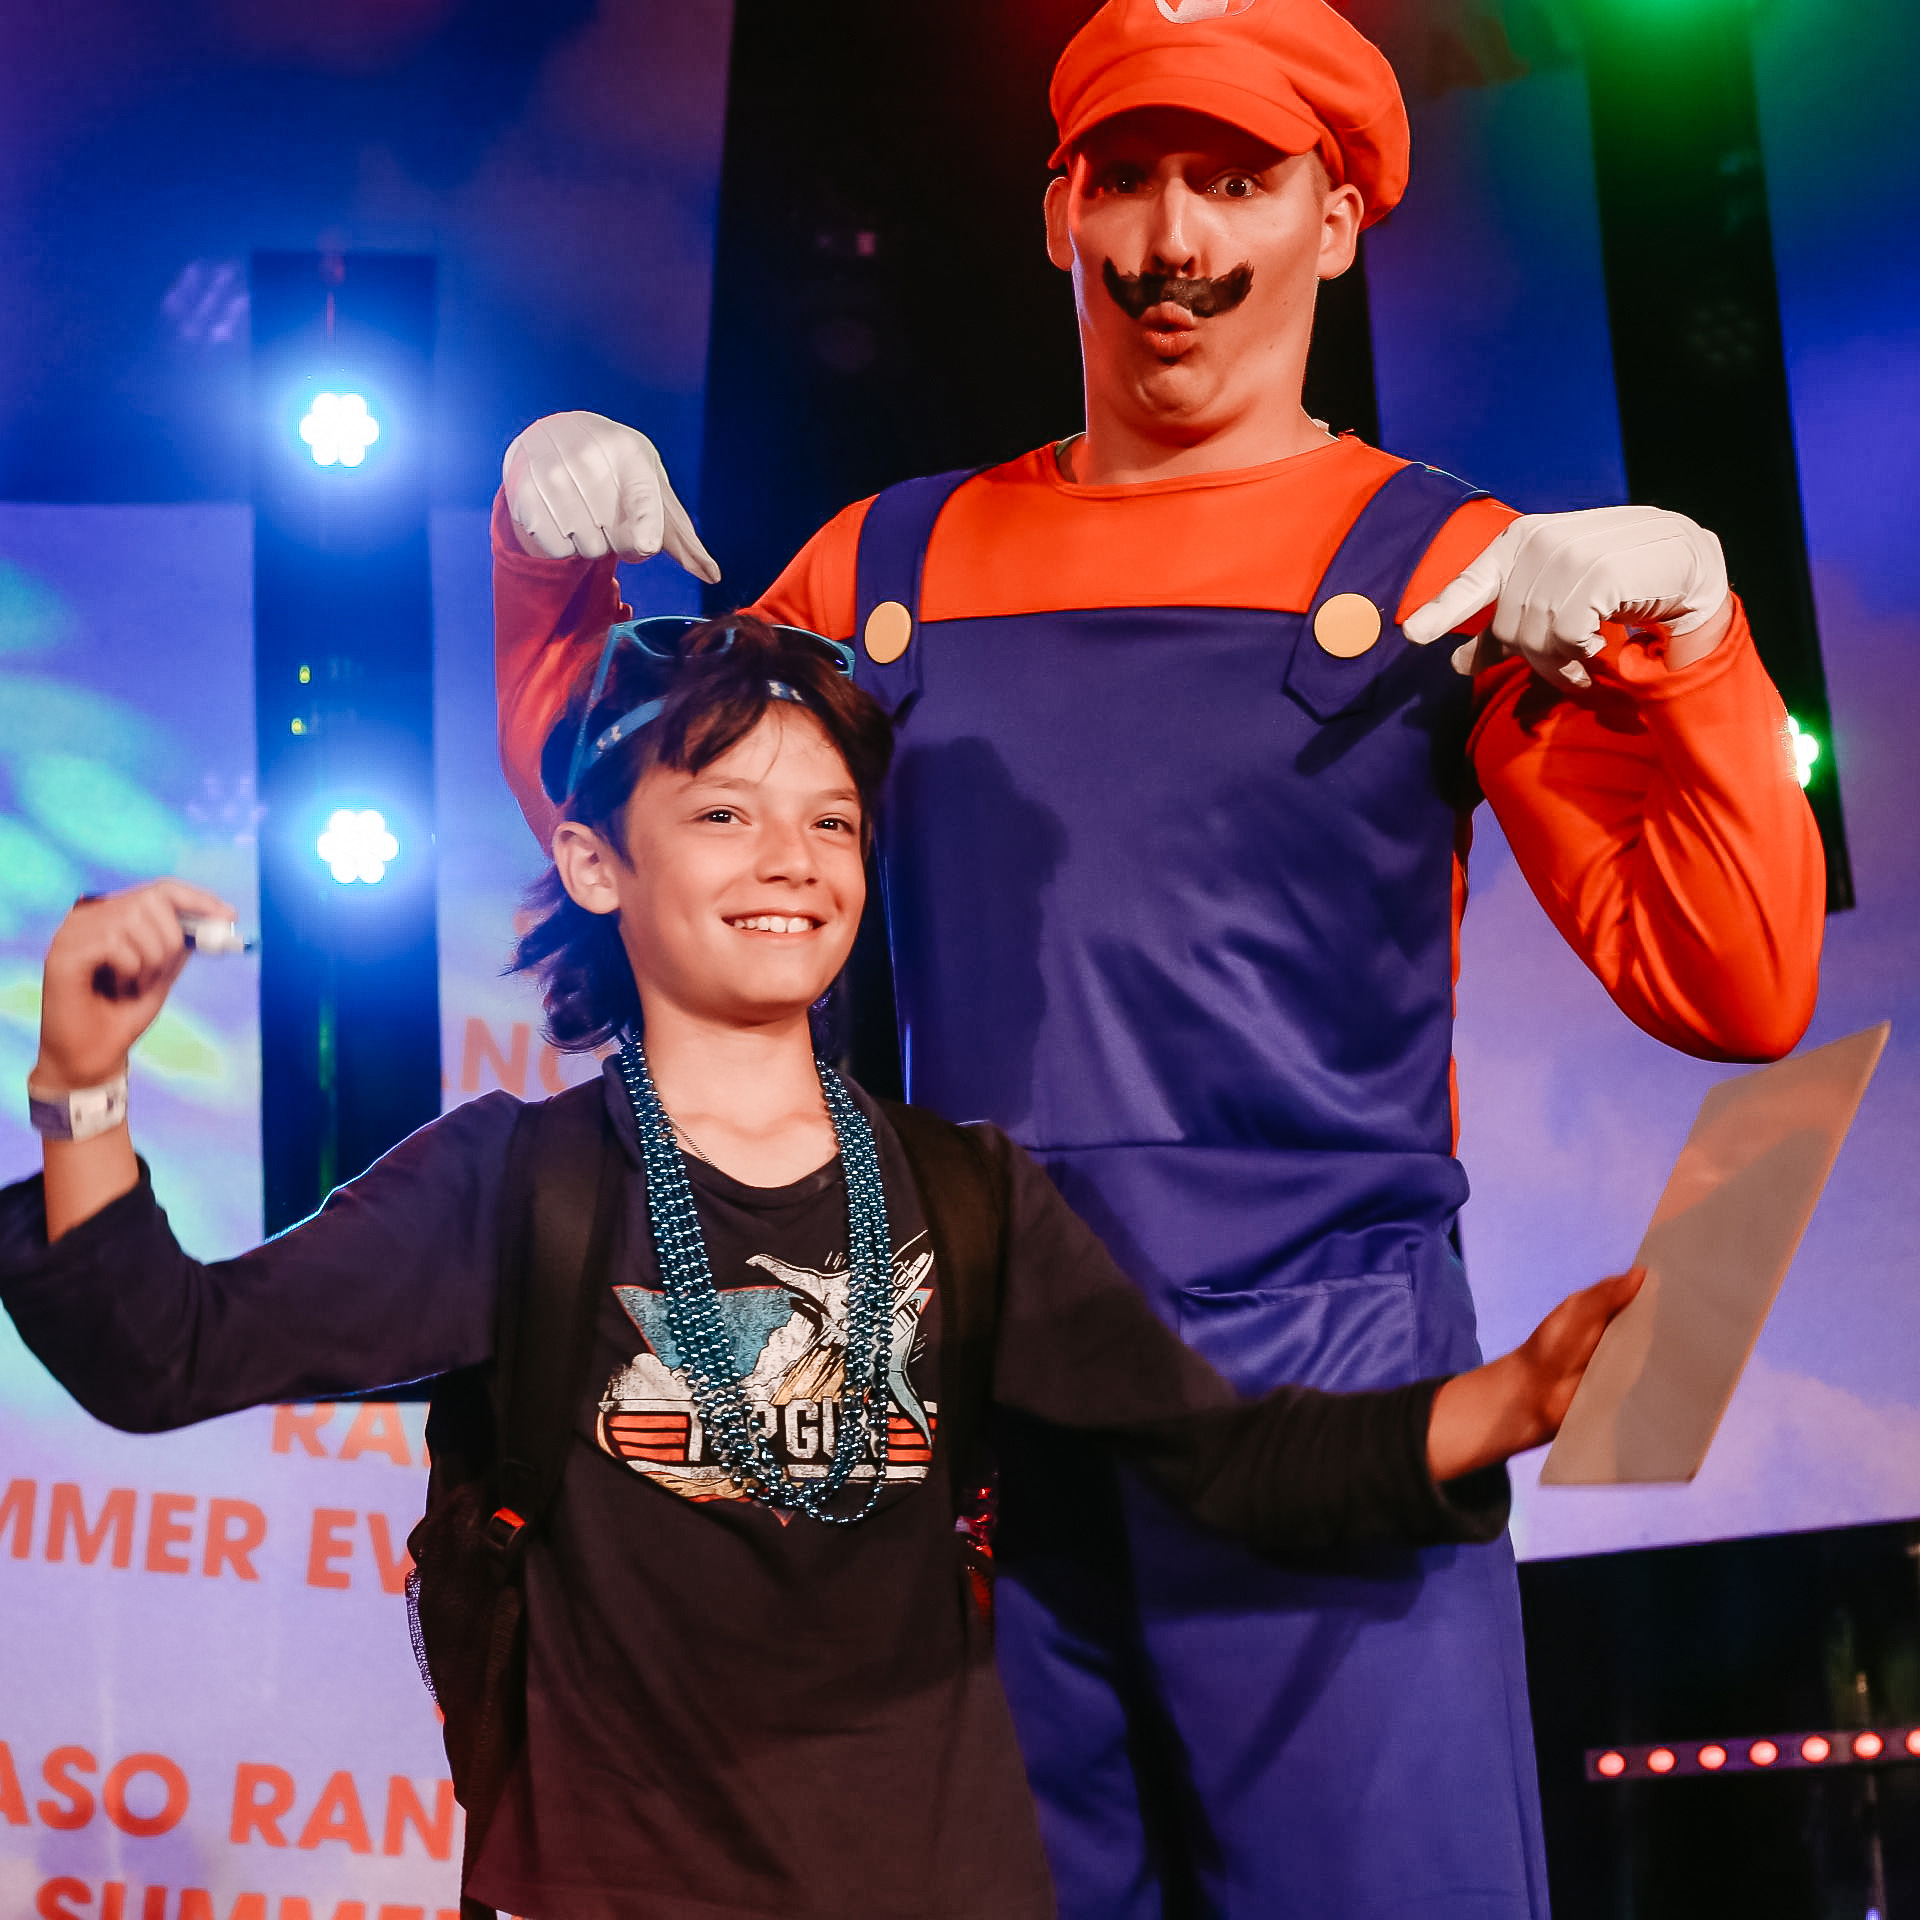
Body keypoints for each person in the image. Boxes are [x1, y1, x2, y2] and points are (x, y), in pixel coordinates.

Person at [487, 6, 1826, 1915]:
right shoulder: (888, 570)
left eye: (1237, 178)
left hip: (1335, 1425)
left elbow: (1734, 982)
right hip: (985, 1438)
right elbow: (618, 825)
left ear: (1335, 220)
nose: (1175, 238)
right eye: (1128, 178)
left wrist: (1690, 649)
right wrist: (545, 571)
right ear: (1060, 213)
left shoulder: (1444, 566)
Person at [1, 615, 1640, 1920]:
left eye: (831, 821)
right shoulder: (517, 1183)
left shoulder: (965, 1194)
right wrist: (81, 1084)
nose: (791, 859)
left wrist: (1508, 1398)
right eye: (723, 814)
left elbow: (1216, 1458)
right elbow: (165, 1354)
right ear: (596, 863)